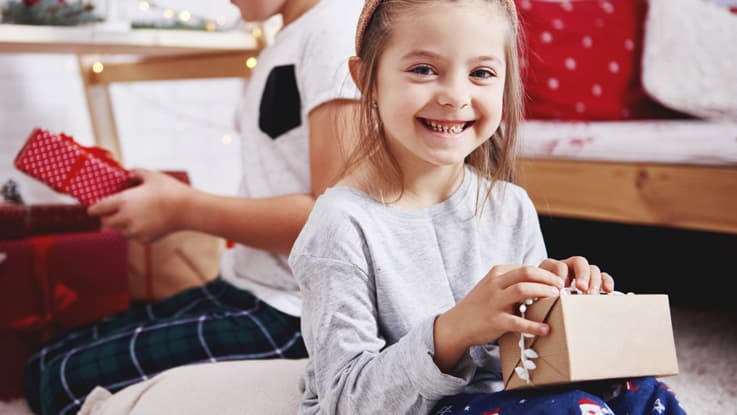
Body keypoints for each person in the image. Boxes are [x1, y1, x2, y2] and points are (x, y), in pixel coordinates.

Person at [287, 0, 687, 414]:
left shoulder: (509, 205)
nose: (456, 96)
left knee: (641, 391)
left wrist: (564, 301)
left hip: (508, 397)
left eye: (481, 73)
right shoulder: (341, 223)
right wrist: (453, 331)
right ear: (366, 79)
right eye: (423, 69)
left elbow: (532, 359)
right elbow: (342, 400)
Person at [23, 0, 363, 414]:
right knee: (44, 362)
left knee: (62, 381)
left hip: (295, 314)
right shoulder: (289, 36)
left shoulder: (335, 32)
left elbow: (331, 220)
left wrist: (183, 209)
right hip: (245, 287)